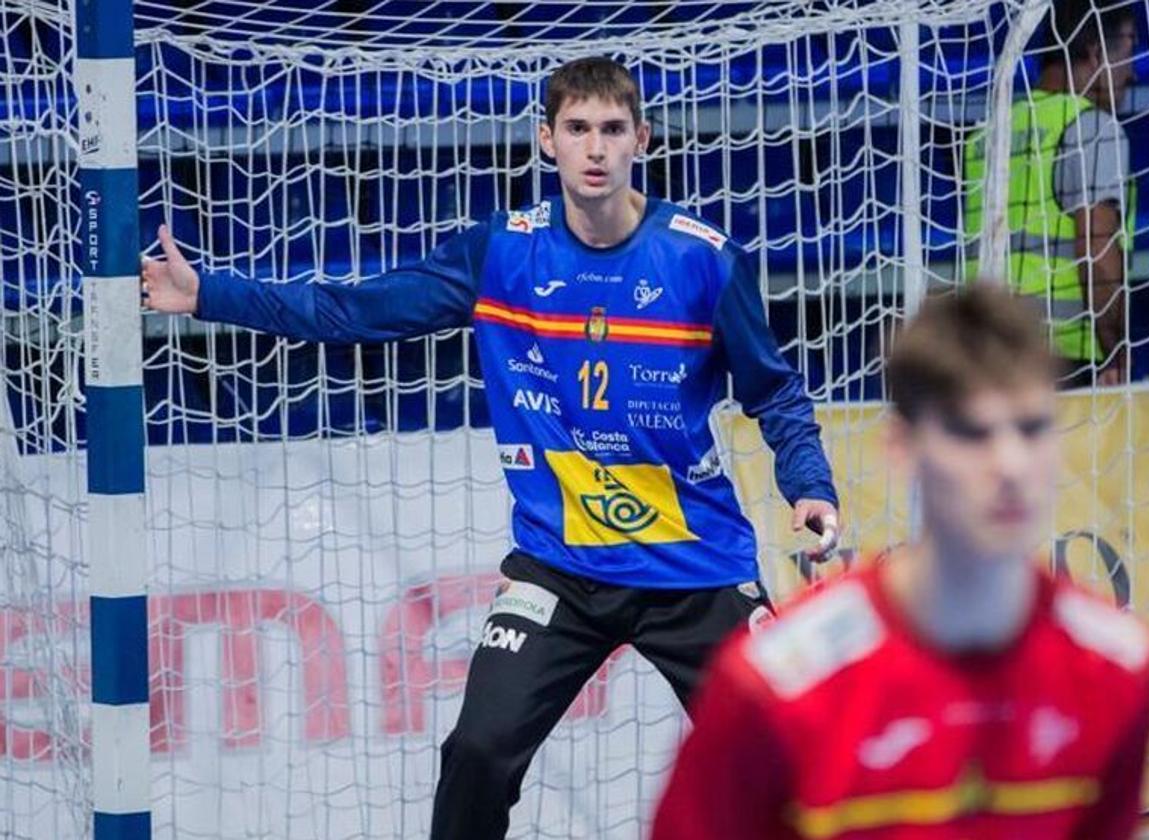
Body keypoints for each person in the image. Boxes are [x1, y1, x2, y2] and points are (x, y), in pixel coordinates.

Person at [141, 56, 841, 839]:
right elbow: (353, 311)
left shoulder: (701, 259)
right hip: (561, 574)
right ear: (547, 140)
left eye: (613, 130)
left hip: (695, 570)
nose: (596, 149)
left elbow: (774, 392)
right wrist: (208, 295)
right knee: (476, 751)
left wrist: (810, 486)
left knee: (796, 749)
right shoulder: (503, 254)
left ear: (641, 138)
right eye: (578, 129)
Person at [652, 283, 1149, 840]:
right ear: (902, 447)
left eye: (1032, 428)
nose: (1011, 464)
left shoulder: (1119, 666)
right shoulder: (775, 684)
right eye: (971, 432)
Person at [965, 0, 1138, 387]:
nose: (1133, 74)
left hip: (986, 360)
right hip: (1063, 363)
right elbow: (1098, 251)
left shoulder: (987, 136)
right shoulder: (1091, 128)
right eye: (1130, 53)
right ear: (1095, 54)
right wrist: (1117, 353)